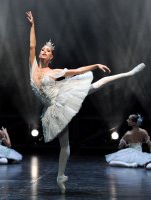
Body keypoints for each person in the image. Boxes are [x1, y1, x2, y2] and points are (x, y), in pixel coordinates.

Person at [26, 11, 147, 193]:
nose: (43, 51)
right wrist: (32, 25)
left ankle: (129, 73)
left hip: (62, 99)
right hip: (52, 109)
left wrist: (96, 65)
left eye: (48, 51)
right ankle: (60, 176)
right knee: (65, 146)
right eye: (43, 49)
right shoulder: (33, 66)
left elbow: (77, 70)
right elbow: (31, 45)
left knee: (97, 84)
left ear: (51, 57)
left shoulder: (55, 71)